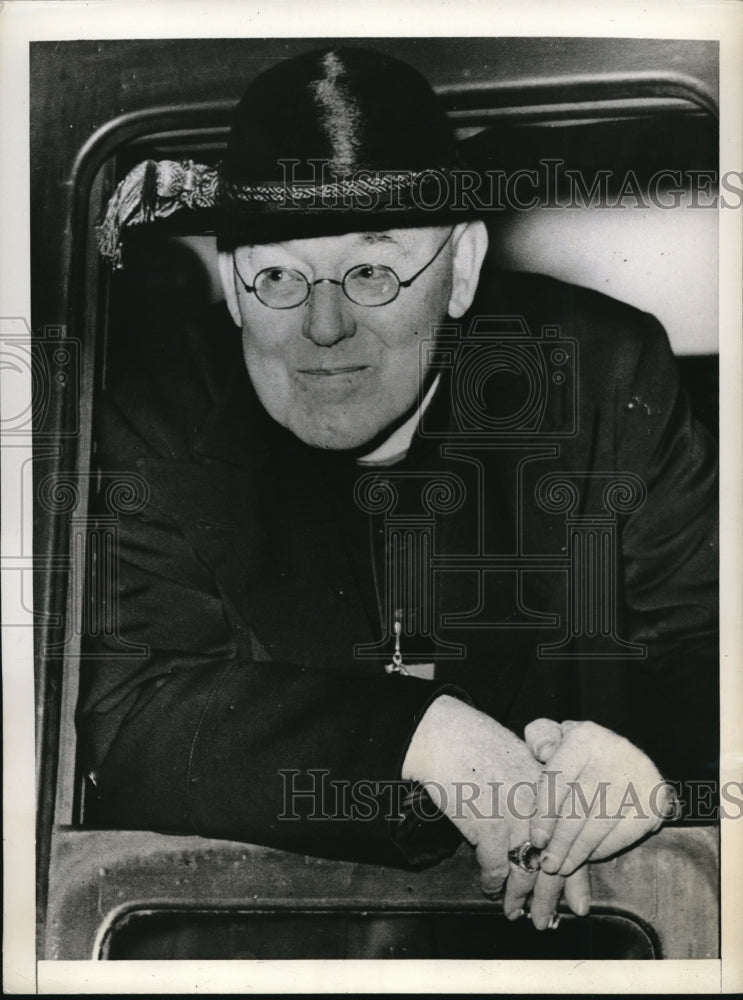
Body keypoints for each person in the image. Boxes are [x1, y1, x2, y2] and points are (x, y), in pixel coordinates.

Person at [81, 47, 718, 935]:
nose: (324, 326)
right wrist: (418, 735)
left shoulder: (598, 373)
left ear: (461, 269)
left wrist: (654, 767)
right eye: (278, 275)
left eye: (372, 271)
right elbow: (125, 719)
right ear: (231, 284)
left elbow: (710, 644)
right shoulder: (150, 415)